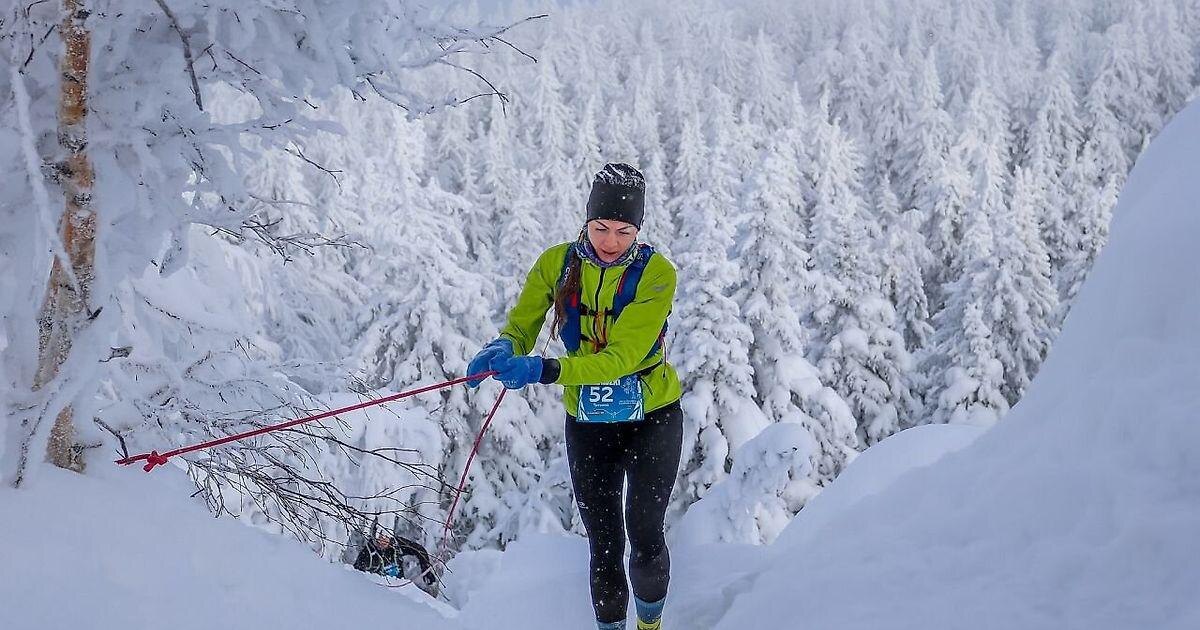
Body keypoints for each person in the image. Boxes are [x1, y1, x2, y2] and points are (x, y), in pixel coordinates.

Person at [467, 163, 683, 630]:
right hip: (588, 422)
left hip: (654, 417)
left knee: (644, 533)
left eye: (624, 231)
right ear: (586, 220)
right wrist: (504, 347)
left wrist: (544, 369)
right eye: (601, 227)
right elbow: (523, 324)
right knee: (603, 542)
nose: (610, 242)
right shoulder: (557, 263)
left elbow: (622, 358)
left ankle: (650, 625)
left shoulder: (657, 274)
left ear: (639, 230)